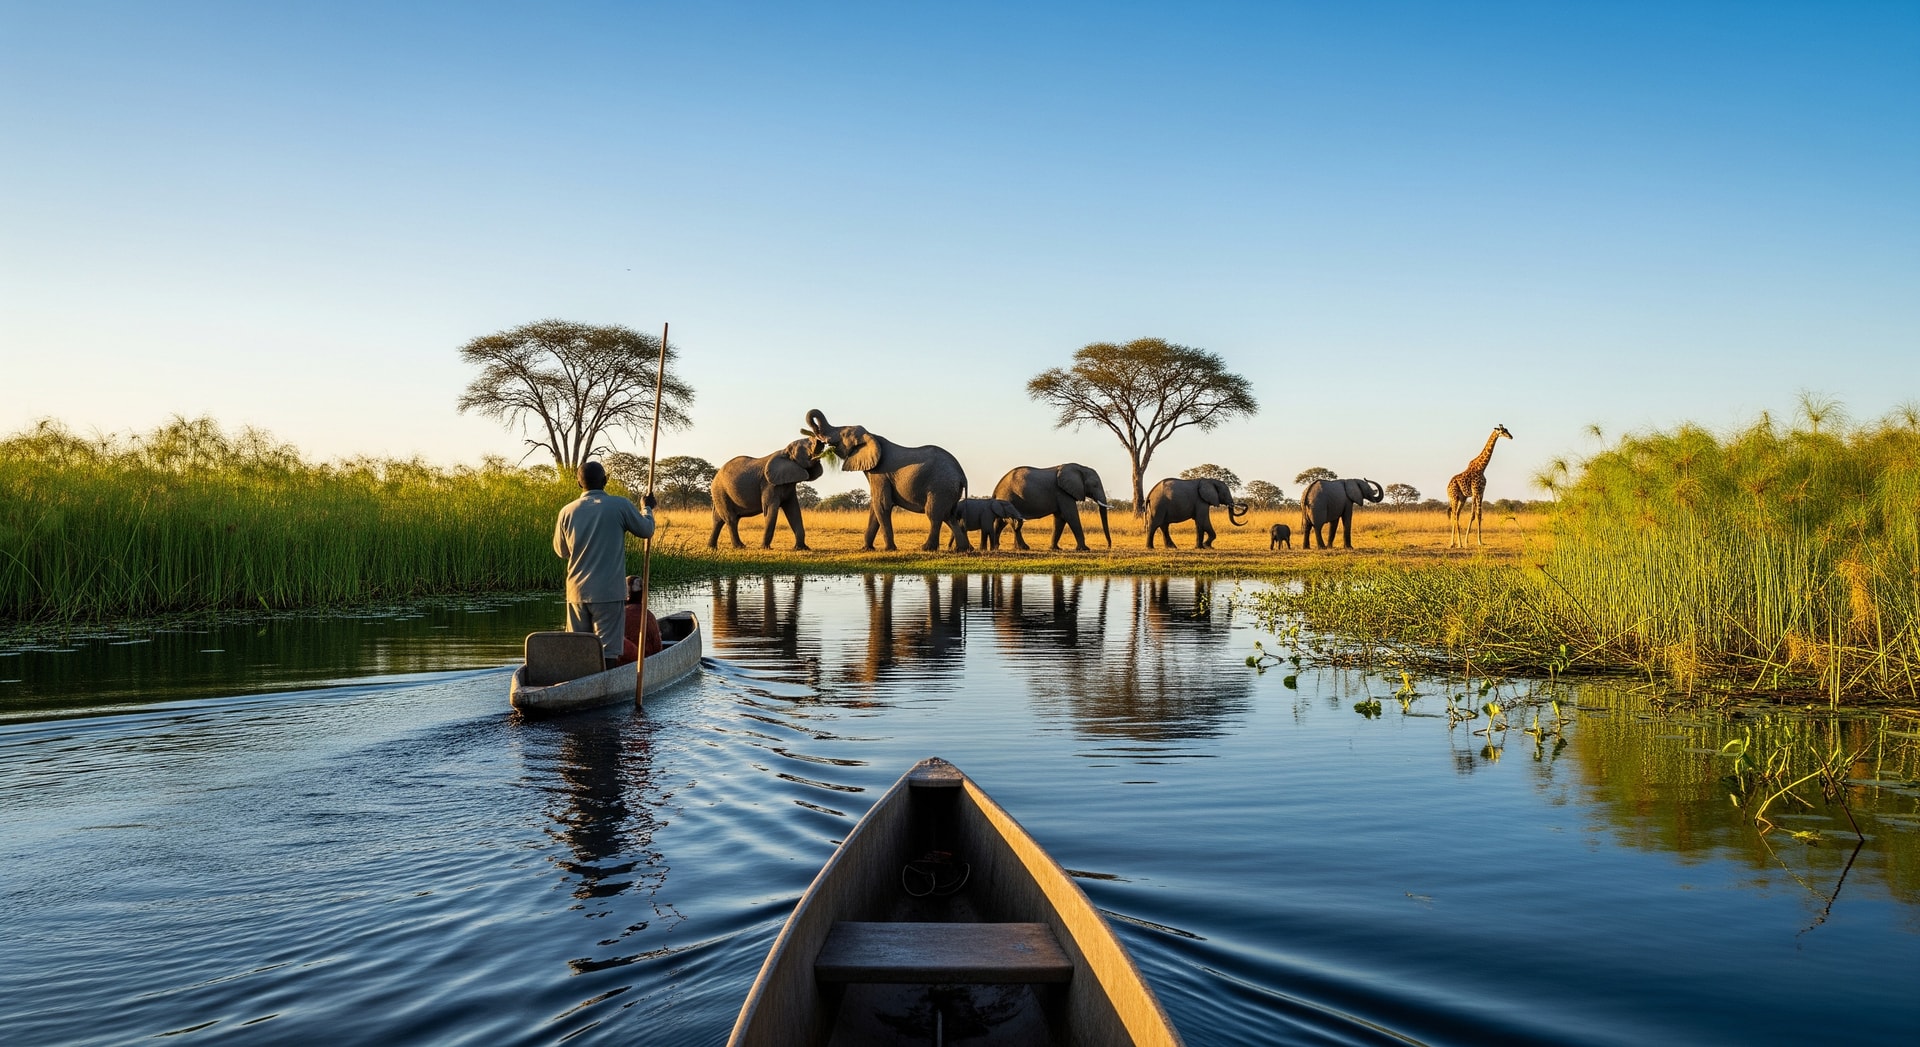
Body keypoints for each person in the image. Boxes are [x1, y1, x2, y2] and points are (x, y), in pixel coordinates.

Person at [553, 460, 655, 669]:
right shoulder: (620, 505)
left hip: (576, 593)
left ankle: (579, 687)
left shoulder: (567, 511)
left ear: (579, 484)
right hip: (608, 593)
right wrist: (647, 508)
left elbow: (561, 551)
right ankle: (603, 688)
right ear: (605, 481)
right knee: (608, 651)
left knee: (578, 649)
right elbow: (646, 530)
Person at [616, 574, 665, 665]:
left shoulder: (619, 614)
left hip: (626, 662)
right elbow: (657, 647)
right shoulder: (649, 616)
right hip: (644, 660)